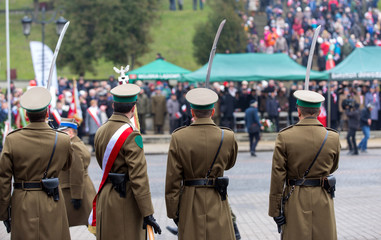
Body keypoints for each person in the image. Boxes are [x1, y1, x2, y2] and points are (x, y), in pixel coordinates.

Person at [0, 87, 73, 239]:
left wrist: (3, 211)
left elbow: (3, 179)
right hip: (52, 198)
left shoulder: (13, 139)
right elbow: (67, 165)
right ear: (47, 114)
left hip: (23, 200)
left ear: (26, 115)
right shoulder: (62, 139)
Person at [165, 87, 238, 240]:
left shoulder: (179, 137)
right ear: (213, 112)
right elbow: (229, 164)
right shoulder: (228, 136)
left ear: (192, 112)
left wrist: (173, 212)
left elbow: (173, 179)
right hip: (217, 197)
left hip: (190, 200)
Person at [90, 83, 161, 239]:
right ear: (133, 107)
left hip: (106, 195)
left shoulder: (101, 130)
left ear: (113, 105)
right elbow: (139, 177)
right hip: (125, 200)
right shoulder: (131, 135)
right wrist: (147, 212)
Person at [269, 89, 340, 240]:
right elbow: (333, 167)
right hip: (323, 196)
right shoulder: (333, 137)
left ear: (298, 111)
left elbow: (277, 175)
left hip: (295, 196)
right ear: (319, 111)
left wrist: (275, 210)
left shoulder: (285, 136)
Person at [58, 118, 96, 227]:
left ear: (70, 132)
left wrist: (76, 196)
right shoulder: (78, 143)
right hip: (83, 188)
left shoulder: (73, 146)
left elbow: (76, 172)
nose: (59, 135)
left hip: (76, 191)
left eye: (62, 132)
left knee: (94, 225)